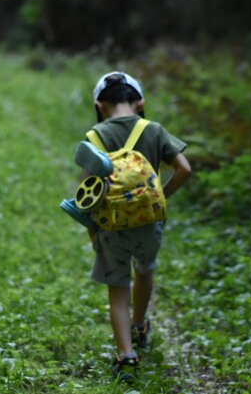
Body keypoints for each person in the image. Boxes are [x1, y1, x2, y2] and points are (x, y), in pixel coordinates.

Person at [81, 71, 191, 381]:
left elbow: (86, 194)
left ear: (100, 106)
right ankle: (140, 325)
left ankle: (126, 357)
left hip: (112, 226)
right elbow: (184, 168)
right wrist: (161, 198)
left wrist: (93, 232)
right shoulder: (154, 130)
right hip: (149, 224)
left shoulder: (94, 137)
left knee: (118, 289)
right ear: (140, 102)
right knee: (145, 270)